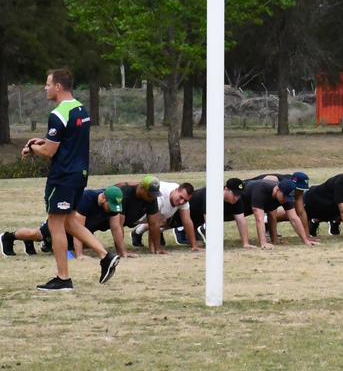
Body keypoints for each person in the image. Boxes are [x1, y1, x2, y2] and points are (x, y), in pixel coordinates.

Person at [18, 69, 118, 291]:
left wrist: (32, 148)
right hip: (79, 174)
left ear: (58, 87)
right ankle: (105, 256)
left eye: (47, 84)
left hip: (62, 176)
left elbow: (51, 151)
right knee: (70, 222)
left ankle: (63, 278)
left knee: (55, 225)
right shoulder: (81, 109)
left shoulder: (58, 113)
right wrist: (42, 140)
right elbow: (67, 140)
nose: (45, 88)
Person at [1, 186, 126, 258]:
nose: (113, 210)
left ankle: (47, 244)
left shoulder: (112, 206)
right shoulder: (87, 199)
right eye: (111, 206)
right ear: (103, 198)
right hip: (61, 220)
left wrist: (122, 252)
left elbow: (116, 228)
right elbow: (78, 227)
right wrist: (80, 255)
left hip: (73, 229)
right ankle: (8, 237)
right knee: (37, 235)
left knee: (90, 243)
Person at [278, 167, 343, 241]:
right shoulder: (342, 182)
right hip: (313, 201)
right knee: (290, 216)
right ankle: (267, 221)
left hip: (329, 210)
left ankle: (314, 223)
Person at [171, 178, 255, 249]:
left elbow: (241, 220)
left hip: (196, 222)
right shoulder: (212, 194)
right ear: (226, 189)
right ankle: (181, 230)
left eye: (239, 195)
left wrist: (245, 243)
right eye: (235, 194)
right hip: (178, 214)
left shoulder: (237, 201)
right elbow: (209, 220)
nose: (237, 197)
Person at [241, 178, 318, 249]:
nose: (285, 200)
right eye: (284, 197)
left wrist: (306, 240)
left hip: (250, 206)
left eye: (288, 198)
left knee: (271, 214)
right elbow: (259, 219)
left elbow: (294, 218)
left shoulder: (286, 196)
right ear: (277, 189)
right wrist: (263, 243)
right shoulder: (260, 190)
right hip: (239, 203)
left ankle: (274, 240)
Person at [130, 181, 197, 251]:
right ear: (176, 190)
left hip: (148, 217)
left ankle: (138, 233)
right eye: (180, 197)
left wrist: (194, 246)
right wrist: (153, 248)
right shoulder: (161, 195)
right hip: (134, 212)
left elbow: (187, 222)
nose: (181, 202)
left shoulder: (183, 200)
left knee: (164, 221)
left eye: (185, 200)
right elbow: (153, 222)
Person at [248, 172, 311, 236]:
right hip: (249, 190)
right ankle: (266, 225)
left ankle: (267, 227)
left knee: (293, 213)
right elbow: (271, 213)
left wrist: (307, 236)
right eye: (298, 190)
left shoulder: (298, 189)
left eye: (301, 190)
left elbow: (301, 212)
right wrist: (274, 238)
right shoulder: (273, 181)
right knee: (271, 214)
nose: (300, 192)